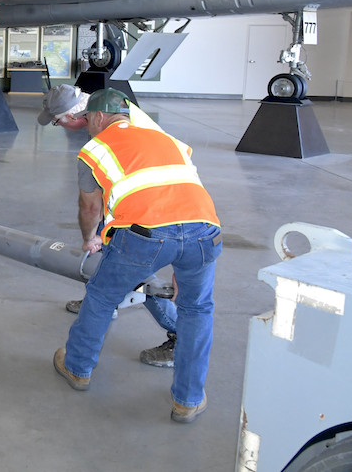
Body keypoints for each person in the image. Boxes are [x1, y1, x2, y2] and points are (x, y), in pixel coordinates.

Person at [52, 88, 222, 424]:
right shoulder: (169, 139)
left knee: (101, 297)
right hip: (204, 232)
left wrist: (90, 239)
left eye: (89, 121)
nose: (88, 126)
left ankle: (77, 367)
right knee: (196, 308)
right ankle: (188, 400)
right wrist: (184, 251)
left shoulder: (96, 148)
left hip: (145, 235)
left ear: (99, 117)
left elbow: (90, 206)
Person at [38, 85, 179, 369]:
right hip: (142, 204)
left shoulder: (108, 134)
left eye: (58, 120)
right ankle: (109, 298)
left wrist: (90, 236)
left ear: (75, 115)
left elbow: (90, 206)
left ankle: (177, 335)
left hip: (153, 213)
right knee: (113, 251)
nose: (60, 126)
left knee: (137, 270)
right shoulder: (111, 116)